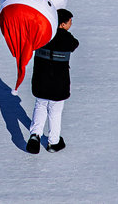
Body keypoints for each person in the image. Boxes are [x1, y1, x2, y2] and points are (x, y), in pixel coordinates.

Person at [25, 8, 78, 154]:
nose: (71, 24)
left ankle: (34, 136)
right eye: (69, 21)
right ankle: (54, 142)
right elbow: (74, 44)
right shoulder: (67, 39)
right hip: (58, 84)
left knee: (40, 105)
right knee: (55, 111)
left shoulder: (42, 32)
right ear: (62, 24)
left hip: (40, 80)